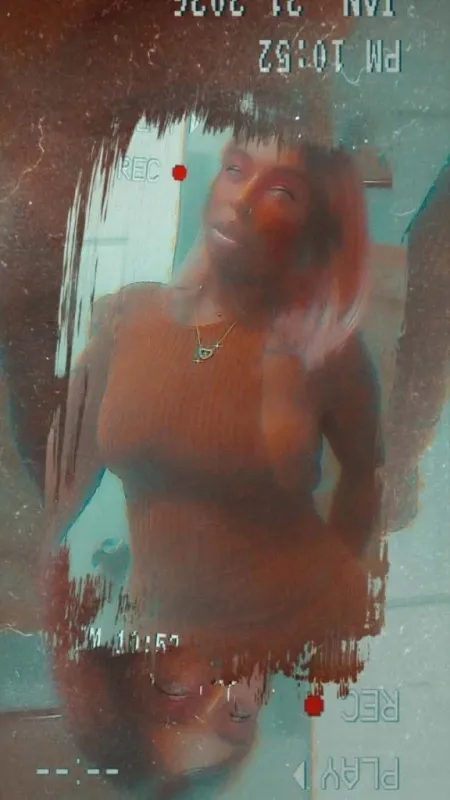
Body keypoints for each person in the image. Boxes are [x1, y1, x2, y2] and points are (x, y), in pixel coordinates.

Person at [39, 133, 384, 797]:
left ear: (127, 665)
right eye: (237, 717)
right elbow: (370, 476)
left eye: (175, 694)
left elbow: (59, 480)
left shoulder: (143, 317)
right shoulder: (318, 340)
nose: (229, 687)